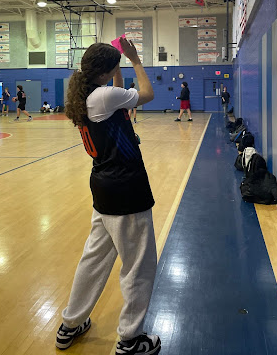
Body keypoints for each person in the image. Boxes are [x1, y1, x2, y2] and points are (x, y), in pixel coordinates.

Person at [56, 40, 160, 355]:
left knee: (93, 260)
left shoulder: (90, 95)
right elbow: (147, 94)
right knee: (138, 266)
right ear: (108, 69)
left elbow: (118, 99)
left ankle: (70, 324)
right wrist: (135, 60)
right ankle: (130, 339)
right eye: (115, 67)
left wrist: (116, 67)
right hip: (126, 191)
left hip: (103, 189)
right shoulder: (103, 96)